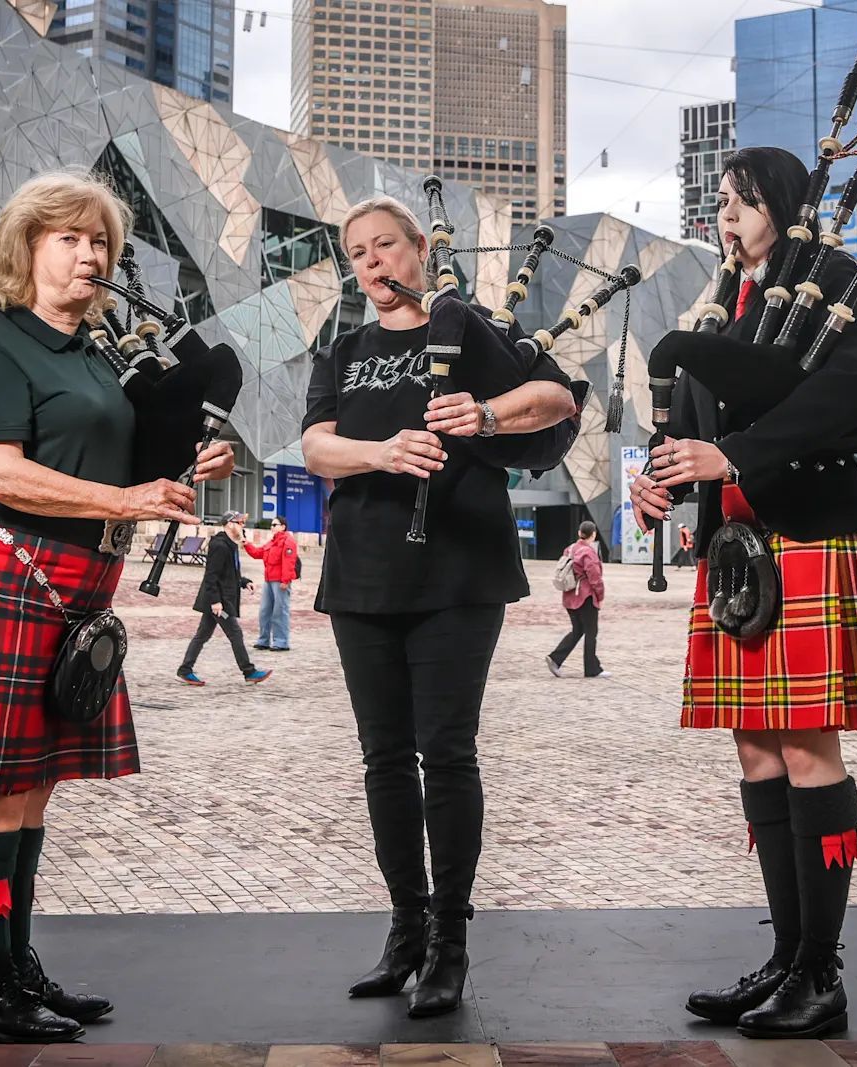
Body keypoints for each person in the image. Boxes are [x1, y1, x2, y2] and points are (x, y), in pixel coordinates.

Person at [0, 169, 234, 1043]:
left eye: (102, 244)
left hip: (79, 589)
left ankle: (15, 964)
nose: (90, 256)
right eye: (70, 239)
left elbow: (117, 465)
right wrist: (125, 504)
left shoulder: (94, 354)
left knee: (36, 788)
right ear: (25, 247)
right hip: (11, 575)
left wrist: (186, 467)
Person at [632, 147, 857, 1039]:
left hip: (812, 533)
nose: (727, 213)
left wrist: (735, 455)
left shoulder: (828, 285)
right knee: (756, 750)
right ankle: (787, 959)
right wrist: (661, 479)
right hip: (738, 547)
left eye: (742, 200)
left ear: (781, 206)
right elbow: (696, 428)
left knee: (808, 747)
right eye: (719, 201)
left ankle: (822, 975)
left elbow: (856, 387)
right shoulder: (727, 305)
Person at [302, 194, 577, 1018]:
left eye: (386, 245)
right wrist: (382, 451)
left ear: (419, 248)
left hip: (459, 570)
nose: (374, 263)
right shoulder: (343, 349)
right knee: (382, 757)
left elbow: (557, 399)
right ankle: (406, 930)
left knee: (446, 753)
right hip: (363, 574)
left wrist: (486, 413)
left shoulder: (465, 327)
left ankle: (451, 940)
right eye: (358, 253)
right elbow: (316, 444)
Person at [178, 511, 271, 686]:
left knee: (202, 635)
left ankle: (185, 669)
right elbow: (211, 576)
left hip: (219, 602)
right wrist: (215, 601)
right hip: (219, 604)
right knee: (235, 633)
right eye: (239, 522)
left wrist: (244, 582)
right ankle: (249, 671)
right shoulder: (220, 545)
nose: (242, 525)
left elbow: (228, 574)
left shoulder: (231, 545)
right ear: (229, 524)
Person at [546, 520, 608, 678]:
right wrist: (600, 596)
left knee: (578, 630)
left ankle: (555, 659)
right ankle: (592, 669)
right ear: (593, 534)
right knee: (591, 632)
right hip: (585, 596)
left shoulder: (570, 549)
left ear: (580, 533)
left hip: (569, 596)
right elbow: (595, 578)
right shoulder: (589, 552)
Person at [244, 515, 298, 652]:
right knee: (265, 611)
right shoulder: (272, 542)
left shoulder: (288, 541)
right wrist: (246, 544)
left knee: (280, 611)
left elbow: (289, 562)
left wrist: (286, 580)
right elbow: (258, 553)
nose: (272, 527)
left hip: (280, 581)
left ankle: (281, 641)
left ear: (283, 527)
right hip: (269, 581)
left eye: (275, 525)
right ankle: (264, 640)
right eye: (272, 525)